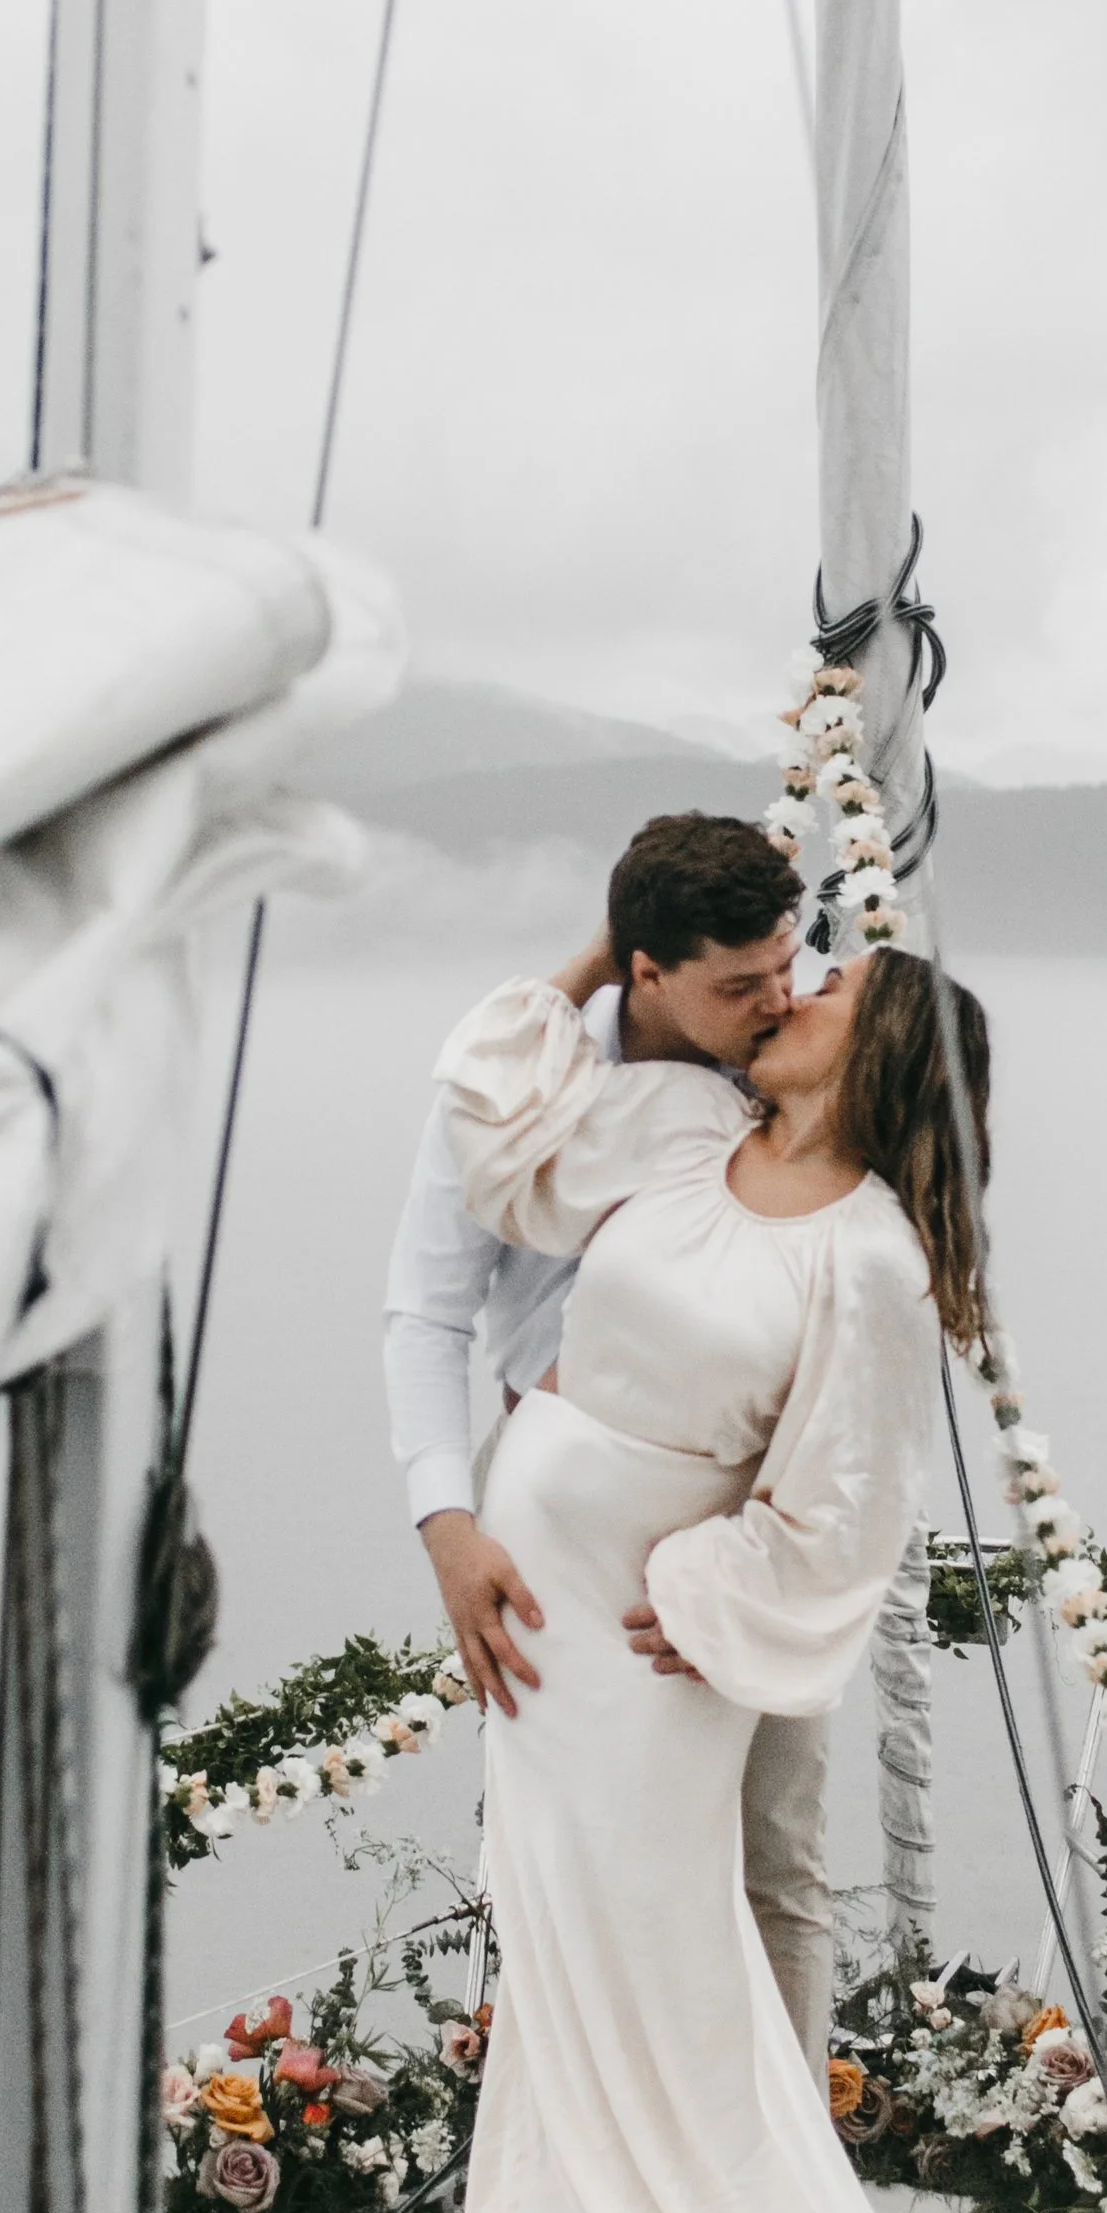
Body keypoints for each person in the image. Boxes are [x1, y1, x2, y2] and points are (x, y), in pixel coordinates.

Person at [426, 927, 1017, 2213]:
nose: (799, 986)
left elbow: (841, 1506)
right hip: (537, 1608)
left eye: (833, 989)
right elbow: (503, 1139)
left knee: (657, 1921)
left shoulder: (869, 1253)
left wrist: (696, 1590)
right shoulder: (691, 1131)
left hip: (644, 1642)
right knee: (556, 1908)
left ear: (879, 1053)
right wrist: (593, 958)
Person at [384, 813, 840, 2063]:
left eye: (785, 969)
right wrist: (447, 1525)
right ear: (643, 969)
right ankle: (570, 2166)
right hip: (545, 1511)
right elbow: (424, 1312)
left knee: (772, 1852)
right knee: (560, 1850)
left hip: (744, 1504)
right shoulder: (510, 1085)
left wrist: (763, 1551)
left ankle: (784, 2184)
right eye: (739, 984)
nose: (775, 1001)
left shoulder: (791, 1077)